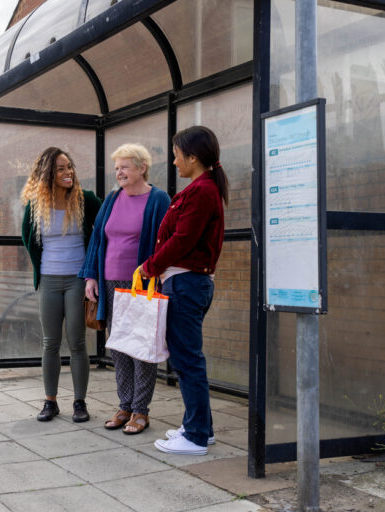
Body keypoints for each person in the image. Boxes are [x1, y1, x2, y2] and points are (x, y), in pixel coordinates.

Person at [139, 126, 228, 455]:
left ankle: (195, 436)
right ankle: (201, 429)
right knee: (189, 358)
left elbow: (182, 240)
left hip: (186, 284)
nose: (175, 162)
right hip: (186, 282)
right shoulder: (202, 189)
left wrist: (149, 266)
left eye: (177, 156)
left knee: (187, 360)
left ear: (193, 157)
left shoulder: (202, 191)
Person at [79, 143, 170, 434]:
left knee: (142, 346)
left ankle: (141, 411)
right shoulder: (112, 199)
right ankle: (125, 405)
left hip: (141, 284)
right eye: (116, 168)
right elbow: (97, 239)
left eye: (125, 167)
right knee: (119, 346)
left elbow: (165, 241)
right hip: (109, 283)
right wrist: (90, 276)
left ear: (142, 168)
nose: (119, 172)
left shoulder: (158, 199)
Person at [21, 147, 102, 423]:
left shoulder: (86, 199)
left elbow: (104, 227)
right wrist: (39, 273)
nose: (68, 173)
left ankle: (80, 402)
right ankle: (50, 401)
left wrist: (94, 270)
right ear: (48, 174)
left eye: (69, 167)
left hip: (78, 280)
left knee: (78, 342)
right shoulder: (35, 204)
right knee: (50, 343)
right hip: (50, 280)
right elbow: (28, 238)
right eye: (60, 169)